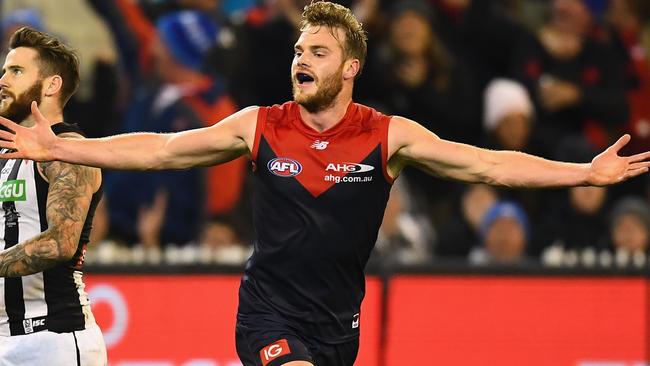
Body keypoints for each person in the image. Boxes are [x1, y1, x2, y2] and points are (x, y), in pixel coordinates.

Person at [0, 2, 648, 365]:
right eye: (297, 51)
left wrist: (584, 171)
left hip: (340, 328)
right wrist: (60, 145)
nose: (301, 62)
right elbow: (164, 150)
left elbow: (487, 164)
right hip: (265, 315)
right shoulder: (260, 124)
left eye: (317, 52)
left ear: (352, 67)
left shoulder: (387, 136)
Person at [0, 28, 106, 365]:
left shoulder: (70, 150)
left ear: (51, 85)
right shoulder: (6, 155)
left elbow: (61, 243)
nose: (3, 79)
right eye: (4, 70)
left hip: (51, 339)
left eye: (16, 71)